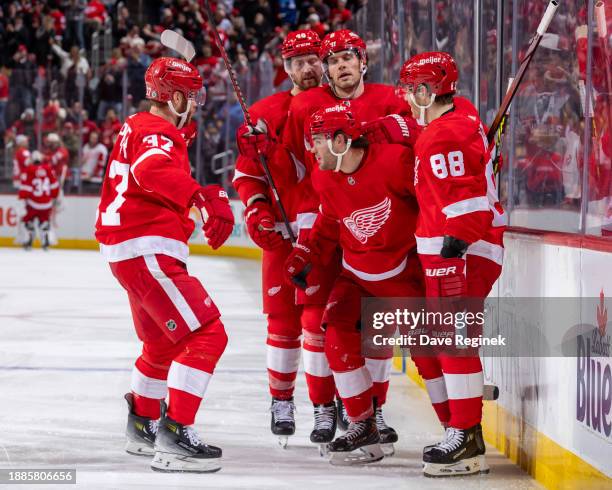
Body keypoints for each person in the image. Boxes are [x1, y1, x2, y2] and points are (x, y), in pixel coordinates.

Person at [94, 55, 235, 473]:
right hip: (147, 248)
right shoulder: (157, 133)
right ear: (173, 96)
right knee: (209, 333)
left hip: (129, 251)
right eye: (190, 96)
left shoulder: (138, 125)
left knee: (161, 344)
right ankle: (175, 434)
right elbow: (152, 168)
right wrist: (199, 195)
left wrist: (178, 139)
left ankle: (142, 424)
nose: (195, 103)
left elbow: (149, 159)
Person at [280, 28, 416, 454]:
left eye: (347, 58)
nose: (340, 66)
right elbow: (294, 166)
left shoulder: (391, 99)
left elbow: (417, 141)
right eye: (332, 59)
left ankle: (371, 411)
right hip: (328, 214)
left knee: (377, 324)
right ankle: (326, 409)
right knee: (322, 320)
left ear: (362, 62)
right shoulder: (303, 105)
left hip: (377, 225)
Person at [396, 52, 506, 477]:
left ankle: (466, 437)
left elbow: (468, 196)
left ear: (426, 91)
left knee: (453, 340)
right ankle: (464, 429)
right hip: (456, 248)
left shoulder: (444, 135)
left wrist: (457, 240)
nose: (405, 97)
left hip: (458, 250)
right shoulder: (460, 115)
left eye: (410, 89)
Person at [233, 30, 340, 451]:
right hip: (282, 237)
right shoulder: (262, 112)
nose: (307, 68)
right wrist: (257, 209)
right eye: (297, 62)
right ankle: (281, 403)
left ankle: (323, 406)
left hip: (326, 236)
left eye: (313, 59)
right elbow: (247, 175)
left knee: (317, 323)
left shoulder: (339, 107)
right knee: (281, 324)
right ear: (285, 66)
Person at [17, 150, 60, 251]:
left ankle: (28, 239)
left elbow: (26, 187)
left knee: (28, 221)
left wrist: (22, 198)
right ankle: (46, 239)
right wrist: (54, 196)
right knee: (44, 222)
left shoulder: (29, 169)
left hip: (33, 203)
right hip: (46, 203)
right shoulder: (48, 169)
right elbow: (54, 186)